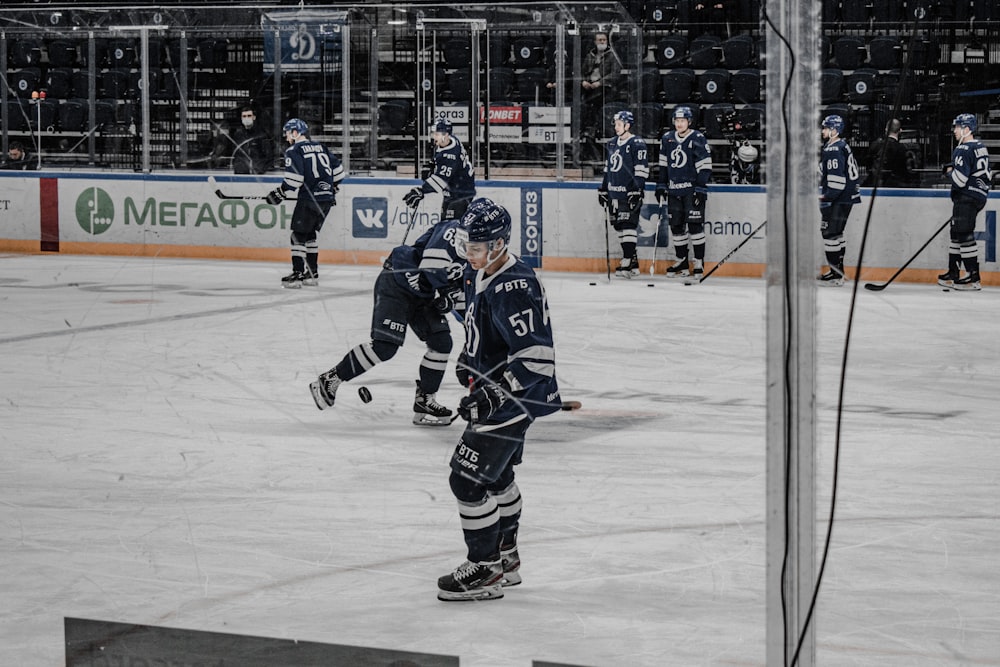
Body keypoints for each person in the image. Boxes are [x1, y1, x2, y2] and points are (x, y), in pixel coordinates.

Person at [437, 198, 562, 602]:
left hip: (517, 398)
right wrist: (468, 361)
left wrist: (492, 394)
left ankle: (486, 567)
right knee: (499, 477)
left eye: (476, 248)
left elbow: (535, 359)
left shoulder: (515, 285)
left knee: (467, 478)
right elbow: (483, 330)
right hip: (502, 394)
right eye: (467, 246)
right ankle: (506, 557)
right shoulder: (482, 272)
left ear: (499, 245)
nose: (468, 254)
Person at [309, 216, 468, 425]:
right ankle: (331, 378)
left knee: (441, 342)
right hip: (397, 283)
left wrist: (471, 332)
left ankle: (425, 401)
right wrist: (447, 292)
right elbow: (431, 266)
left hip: (423, 295)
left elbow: (466, 301)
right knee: (385, 347)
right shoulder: (452, 230)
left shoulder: (479, 254)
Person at [264, 118, 344, 289]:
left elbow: (295, 179)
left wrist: (279, 193)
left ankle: (298, 273)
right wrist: (331, 188)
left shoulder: (294, 150)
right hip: (326, 200)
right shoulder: (321, 147)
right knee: (310, 234)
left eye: (288, 133)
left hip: (309, 199)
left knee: (298, 235)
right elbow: (339, 174)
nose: (286, 137)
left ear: (296, 132)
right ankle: (312, 274)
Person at [656, 106, 713, 278]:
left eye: (682, 121)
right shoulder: (667, 139)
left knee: (695, 226)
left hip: (691, 191)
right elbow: (664, 166)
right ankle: (681, 260)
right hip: (674, 191)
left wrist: (700, 187)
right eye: (677, 121)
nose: (679, 124)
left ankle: (698, 261)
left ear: (689, 122)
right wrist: (661, 185)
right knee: (677, 227)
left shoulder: (697, 138)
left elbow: (705, 166)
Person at [938, 113, 991, 291]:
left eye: (957, 127)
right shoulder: (981, 147)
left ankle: (972, 277)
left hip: (966, 196)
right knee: (956, 232)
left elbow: (960, 180)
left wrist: (948, 172)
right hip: (978, 195)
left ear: (966, 129)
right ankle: (953, 272)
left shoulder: (962, 149)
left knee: (964, 233)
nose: (954, 130)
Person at [597, 110, 649, 278]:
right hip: (614, 193)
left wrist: (637, 190)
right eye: (616, 124)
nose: (617, 127)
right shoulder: (612, 143)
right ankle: (633, 264)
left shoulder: (637, 143)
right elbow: (608, 169)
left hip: (629, 193)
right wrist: (603, 189)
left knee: (628, 225)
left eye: (620, 124)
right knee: (619, 226)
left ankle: (626, 260)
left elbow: (641, 170)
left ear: (628, 125)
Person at [816, 114, 861, 286]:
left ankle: (836, 276)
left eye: (826, 128)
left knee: (829, 234)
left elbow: (837, 181)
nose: (823, 130)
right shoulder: (837, 146)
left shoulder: (833, 149)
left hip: (839, 198)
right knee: (837, 234)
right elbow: (824, 170)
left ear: (834, 130)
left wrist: (825, 197)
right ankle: (839, 273)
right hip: (847, 198)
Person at [403, 119, 476, 221]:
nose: (434, 137)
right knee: (444, 228)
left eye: (437, 134)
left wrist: (421, 190)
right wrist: (433, 164)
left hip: (460, 196)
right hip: (454, 193)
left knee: (449, 228)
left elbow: (440, 181)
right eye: (433, 133)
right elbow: (440, 159)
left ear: (446, 135)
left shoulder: (450, 156)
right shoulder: (451, 141)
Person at [580, 32, 623, 144]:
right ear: (595, 42)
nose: (602, 42)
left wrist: (600, 83)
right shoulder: (590, 56)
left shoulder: (612, 56)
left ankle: (591, 130)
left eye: (604, 40)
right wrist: (583, 81)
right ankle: (585, 129)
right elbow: (582, 72)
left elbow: (615, 74)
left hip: (606, 87)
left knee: (594, 100)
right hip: (589, 87)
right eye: (600, 40)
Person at [864, 118, 915, 188]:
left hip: (875, 185)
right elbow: (905, 172)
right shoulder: (903, 149)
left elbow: (868, 166)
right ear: (900, 131)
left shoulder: (875, 145)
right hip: (896, 186)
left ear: (886, 129)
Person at [231, 106, 273, 175]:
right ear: (241, 118)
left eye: (249, 116)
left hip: (257, 175)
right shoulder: (238, 135)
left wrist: (260, 170)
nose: (246, 118)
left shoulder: (261, 134)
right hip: (240, 174)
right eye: (244, 116)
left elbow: (268, 156)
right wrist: (238, 168)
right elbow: (236, 155)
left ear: (254, 117)